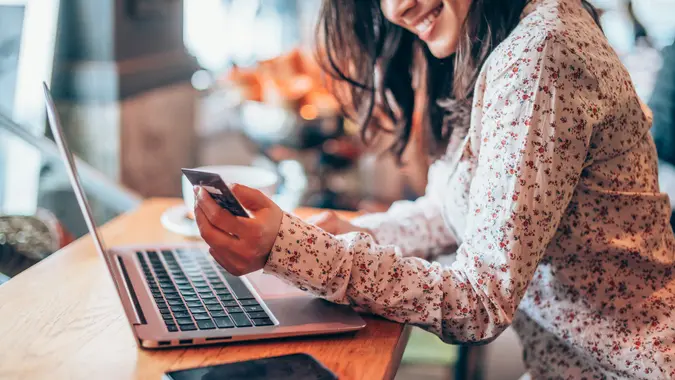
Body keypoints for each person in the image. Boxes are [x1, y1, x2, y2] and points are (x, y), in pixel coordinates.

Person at [194, 0, 675, 378]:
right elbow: (454, 212)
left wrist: (294, 252)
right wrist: (349, 231)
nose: (394, 8)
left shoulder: (540, 53)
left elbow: (480, 302)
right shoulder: (505, 37)